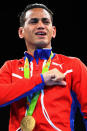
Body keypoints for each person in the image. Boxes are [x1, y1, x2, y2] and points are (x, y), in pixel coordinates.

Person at [0, 3, 87, 131]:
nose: (41, 25)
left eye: (46, 22)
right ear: (21, 32)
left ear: (53, 31)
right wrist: (41, 80)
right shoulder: (10, 67)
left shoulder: (73, 66)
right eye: (33, 21)